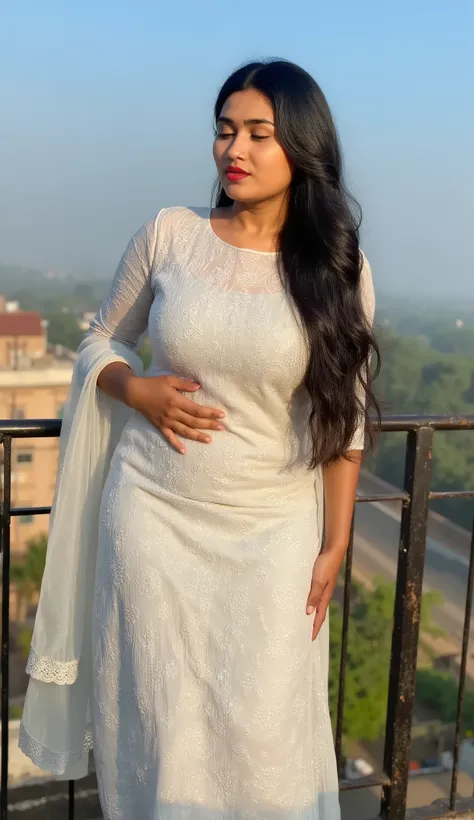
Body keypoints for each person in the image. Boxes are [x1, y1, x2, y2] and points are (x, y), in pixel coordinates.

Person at [19, 58, 380, 819]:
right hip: (152, 521)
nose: (234, 150)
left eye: (258, 133)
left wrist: (335, 544)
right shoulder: (171, 234)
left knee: (264, 741)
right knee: (158, 730)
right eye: (224, 130)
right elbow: (99, 342)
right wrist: (135, 389)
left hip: (272, 534)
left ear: (302, 149)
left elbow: (343, 420)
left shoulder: (336, 268)